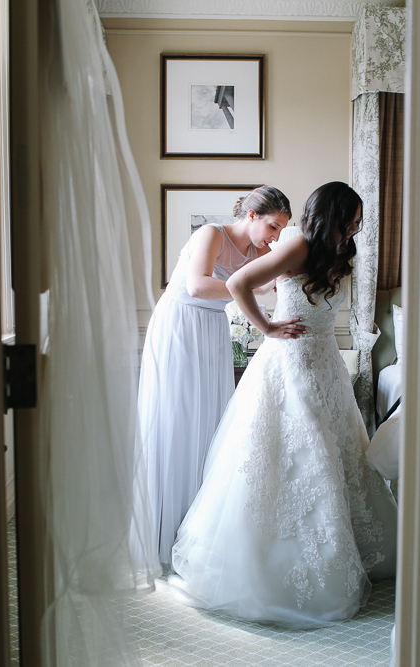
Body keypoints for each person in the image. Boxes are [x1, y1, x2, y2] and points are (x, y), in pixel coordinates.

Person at [170, 182, 397, 628]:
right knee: (296, 453)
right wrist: (268, 327)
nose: (353, 230)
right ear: (328, 216)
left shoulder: (335, 251)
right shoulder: (297, 246)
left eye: (356, 222)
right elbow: (237, 282)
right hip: (289, 363)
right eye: (348, 221)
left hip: (325, 362)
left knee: (336, 452)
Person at [138, 185, 302, 572]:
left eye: (281, 230)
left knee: (209, 422)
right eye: (273, 226)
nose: (275, 236)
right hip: (178, 325)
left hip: (212, 329)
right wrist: (256, 288)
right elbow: (196, 285)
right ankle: (160, 530)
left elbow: (272, 279)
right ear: (252, 215)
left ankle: (193, 528)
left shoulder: (260, 252)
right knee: (176, 420)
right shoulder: (212, 233)